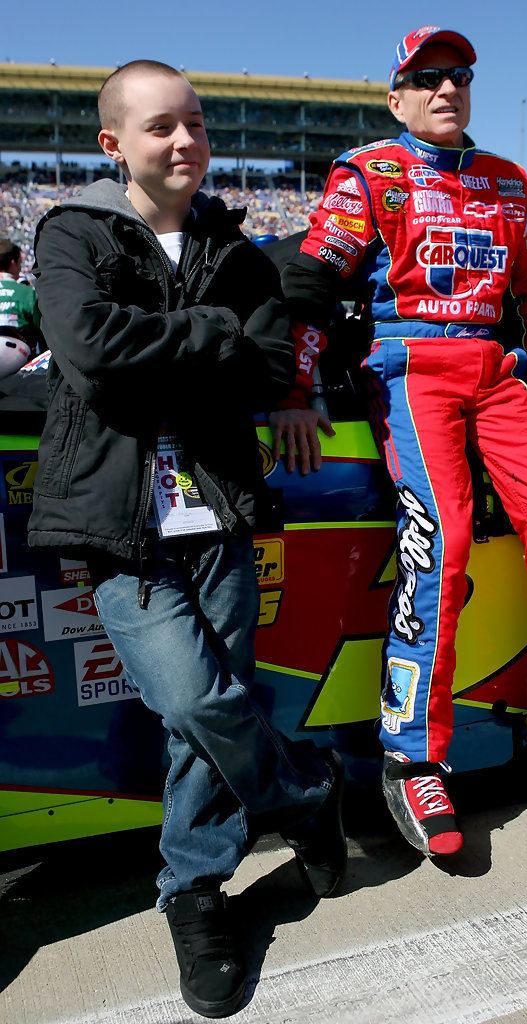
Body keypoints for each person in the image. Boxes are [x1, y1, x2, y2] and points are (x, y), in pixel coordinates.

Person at [270, 25, 527, 862]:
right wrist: (293, 390)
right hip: (409, 369)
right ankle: (413, 755)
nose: (446, 89)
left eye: (459, 76)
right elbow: (311, 286)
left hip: (496, 374)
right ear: (395, 97)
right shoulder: (369, 172)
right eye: (426, 78)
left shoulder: (506, 183)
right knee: (442, 549)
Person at [28, 60, 346, 1020]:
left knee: (196, 722)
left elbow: (259, 365)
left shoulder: (237, 248)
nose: (185, 143)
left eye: (197, 125)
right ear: (112, 143)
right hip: (117, 523)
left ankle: (195, 893)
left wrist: (177, 347)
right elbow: (84, 348)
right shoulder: (71, 230)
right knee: (198, 697)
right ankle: (297, 794)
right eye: (162, 127)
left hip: (220, 515)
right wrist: (208, 333)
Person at [0, 239, 43, 378]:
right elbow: (43, 329)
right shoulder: (26, 293)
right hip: (16, 359)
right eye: (20, 262)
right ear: (13, 262)